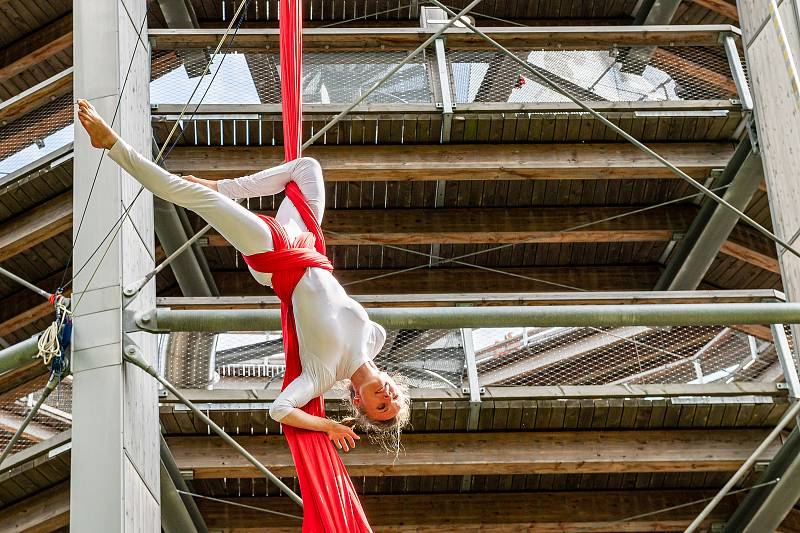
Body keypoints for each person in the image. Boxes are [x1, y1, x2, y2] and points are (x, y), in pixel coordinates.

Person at [76, 99, 410, 452]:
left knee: (195, 198)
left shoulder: (322, 375)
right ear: (397, 385)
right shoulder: (375, 337)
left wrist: (326, 425)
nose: (387, 397)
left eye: (382, 407)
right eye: (395, 399)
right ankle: (224, 187)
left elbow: (279, 410)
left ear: (358, 403)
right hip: (306, 245)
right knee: (307, 168)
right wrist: (310, 252)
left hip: (275, 259)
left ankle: (111, 145)